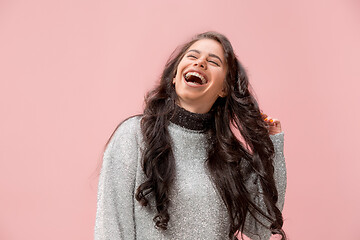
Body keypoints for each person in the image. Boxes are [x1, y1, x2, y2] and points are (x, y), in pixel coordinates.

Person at [94, 31, 287, 240]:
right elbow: (111, 227)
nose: (201, 62)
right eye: (193, 56)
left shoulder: (230, 157)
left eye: (213, 61)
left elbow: (262, 227)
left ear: (224, 88)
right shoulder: (133, 136)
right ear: (175, 76)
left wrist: (271, 148)